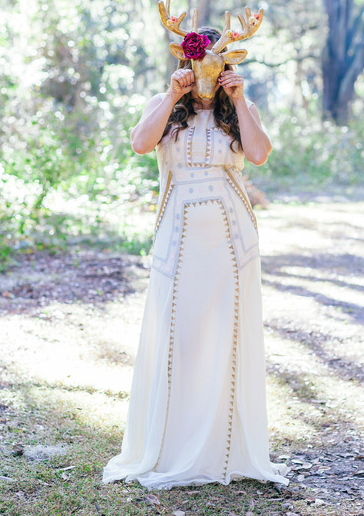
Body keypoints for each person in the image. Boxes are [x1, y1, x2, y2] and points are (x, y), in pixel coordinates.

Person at [103, 25, 289, 490]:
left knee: (225, 336)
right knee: (178, 336)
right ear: (186, 61)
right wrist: (170, 95)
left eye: (217, 61)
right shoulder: (165, 104)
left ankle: (222, 451)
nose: (206, 68)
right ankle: (170, 447)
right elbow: (141, 144)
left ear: (227, 64)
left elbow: (260, 154)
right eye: (198, 59)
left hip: (232, 238)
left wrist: (241, 99)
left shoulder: (239, 108)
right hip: (178, 237)